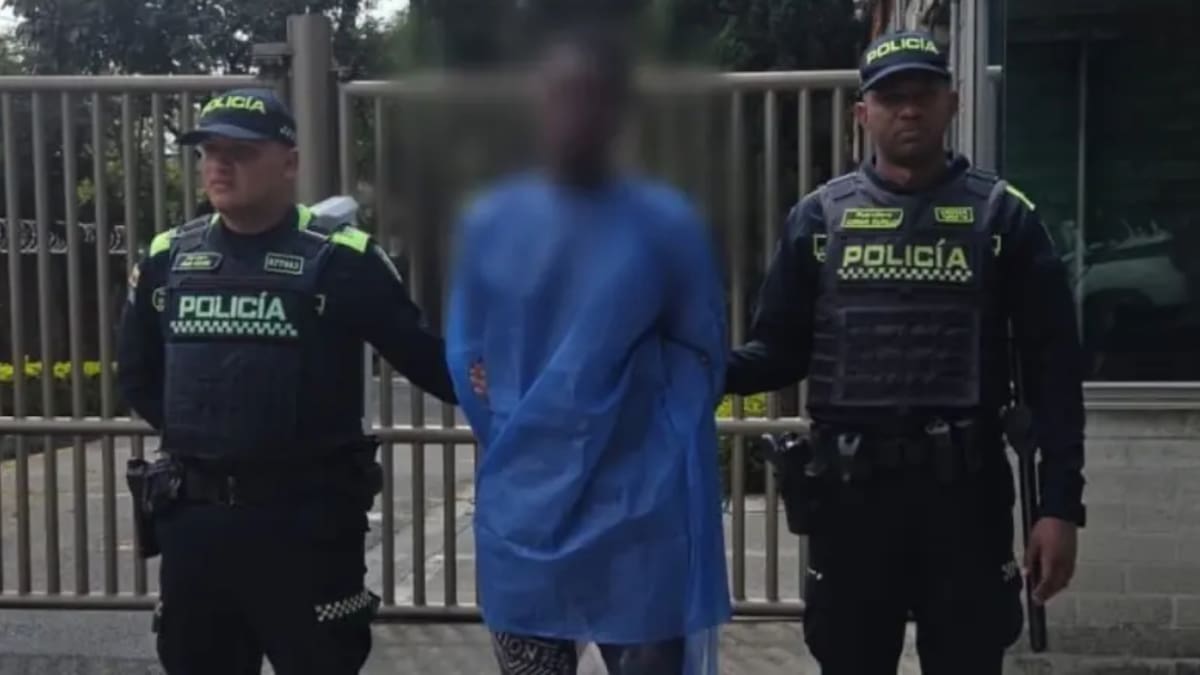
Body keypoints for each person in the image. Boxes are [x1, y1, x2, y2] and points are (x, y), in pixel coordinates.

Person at [726, 31, 1087, 674]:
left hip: (966, 504)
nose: (909, 109)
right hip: (851, 507)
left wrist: (1060, 507)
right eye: (892, 97)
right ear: (863, 113)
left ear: (953, 102)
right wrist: (690, 367)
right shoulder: (817, 220)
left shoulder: (1005, 219)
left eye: (923, 94)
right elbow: (777, 354)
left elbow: (1053, 375)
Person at [117, 87, 456, 675]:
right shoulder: (168, 258)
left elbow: (430, 362)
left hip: (307, 532)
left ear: (290, 162)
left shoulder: (344, 259)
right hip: (196, 530)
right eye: (209, 152)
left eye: (241, 153)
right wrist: (218, 438)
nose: (220, 166)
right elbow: (138, 376)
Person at [445, 26, 731, 675]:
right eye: (560, 96)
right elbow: (467, 356)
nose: (574, 113)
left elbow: (704, 354)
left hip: (639, 517)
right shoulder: (492, 223)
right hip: (530, 516)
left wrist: (631, 430)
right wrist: (532, 434)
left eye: (591, 96)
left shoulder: (666, 224)